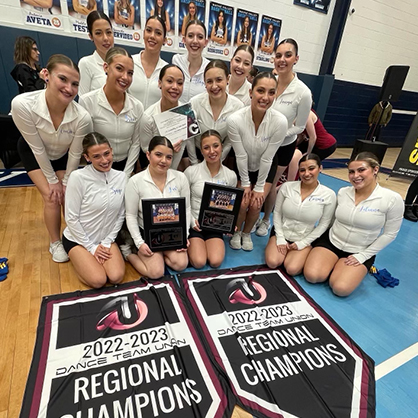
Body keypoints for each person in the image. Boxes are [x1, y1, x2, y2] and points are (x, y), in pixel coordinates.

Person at [11, 54, 92, 263]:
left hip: (63, 155)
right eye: (63, 79)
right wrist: (53, 181)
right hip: (33, 152)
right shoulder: (22, 105)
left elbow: (75, 153)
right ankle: (55, 242)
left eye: (75, 84)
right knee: (51, 196)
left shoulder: (82, 117)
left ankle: (75, 237)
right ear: (46, 75)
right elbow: (37, 148)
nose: (69, 88)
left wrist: (65, 182)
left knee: (69, 194)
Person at [303, 152, 404, 297]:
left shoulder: (392, 199)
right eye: (351, 172)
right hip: (332, 242)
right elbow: (331, 220)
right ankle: (332, 264)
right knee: (312, 276)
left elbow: (390, 234)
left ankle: (344, 270)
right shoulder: (343, 192)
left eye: (361, 170)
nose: (355, 176)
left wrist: (363, 256)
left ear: (375, 169)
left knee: (340, 288)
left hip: (360, 250)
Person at [257, 38, 312, 237]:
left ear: (296, 58)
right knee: (258, 179)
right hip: (259, 142)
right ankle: (253, 214)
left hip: (283, 146)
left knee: (270, 184)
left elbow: (299, 127)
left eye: (287, 55)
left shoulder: (303, 92)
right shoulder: (268, 82)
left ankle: (265, 219)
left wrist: (278, 135)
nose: (282, 59)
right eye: (278, 55)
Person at [227, 72, 288, 251]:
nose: (265, 97)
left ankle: (247, 233)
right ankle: (237, 232)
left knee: (255, 203)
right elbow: (240, 155)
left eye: (271, 92)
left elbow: (268, 157)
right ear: (250, 92)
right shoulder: (235, 120)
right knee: (243, 201)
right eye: (260, 91)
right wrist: (246, 183)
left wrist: (259, 188)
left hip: (266, 164)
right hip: (242, 164)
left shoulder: (280, 122)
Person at [63, 133, 126, 288]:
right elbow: (71, 218)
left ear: (111, 151)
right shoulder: (77, 177)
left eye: (106, 154)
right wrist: (91, 247)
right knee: (98, 280)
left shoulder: (122, 177)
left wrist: (107, 242)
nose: (104, 160)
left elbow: (121, 214)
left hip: (105, 240)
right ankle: (78, 258)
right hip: (78, 240)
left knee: (116, 276)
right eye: (96, 156)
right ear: (87, 157)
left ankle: (92, 260)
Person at [124, 136, 191, 278]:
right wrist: (139, 243)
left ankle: (160, 255)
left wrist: (183, 236)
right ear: (148, 155)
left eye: (168, 157)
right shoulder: (135, 181)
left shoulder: (180, 178)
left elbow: (186, 209)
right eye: (158, 155)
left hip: (172, 233)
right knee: (156, 273)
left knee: (181, 264)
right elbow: (130, 215)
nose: (163, 161)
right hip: (146, 233)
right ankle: (128, 253)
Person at [265, 154, 336, 274]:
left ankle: (302, 251)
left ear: (320, 168)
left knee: (292, 269)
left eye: (311, 168)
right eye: (302, 170)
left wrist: (303, 243)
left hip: (304, 237)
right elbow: (277, 213)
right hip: (282, 232)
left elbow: (324, 224)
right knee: (272, 262)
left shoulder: (329, 195)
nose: (306, 174)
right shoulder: (287, 187)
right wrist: (280, 238)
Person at [79, 47, 144, 177]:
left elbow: (136, 143)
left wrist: (125, 175)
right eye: (119, 69)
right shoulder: (87, 101)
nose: (125, 77)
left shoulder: (137, 106)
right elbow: (86, 142)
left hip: (124, 167)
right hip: (96, 168)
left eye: (130, 73)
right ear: (106, 67)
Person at [184, 130, 237, 268]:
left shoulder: (230, 176)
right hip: (194, 223)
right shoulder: (191, 172)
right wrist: (190, 221)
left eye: (215, 146)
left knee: (215, 261)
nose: (211, 151)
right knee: (199, 262)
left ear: (221, 147)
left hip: (215, 225)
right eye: (206, 148)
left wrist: (229, 223)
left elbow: (230, 206)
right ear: (201, 151)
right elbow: (183, 201)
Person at [189, 60, 244, 165]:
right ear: (204, 83)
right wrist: (194, 163)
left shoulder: (238, 107)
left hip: (220, 157)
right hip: (196, 154)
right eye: (209, 81)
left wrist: (218, 161)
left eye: (219, 80)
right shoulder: (194, 103)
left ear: (228, 79)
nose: (214, 86)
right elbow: (189, 139)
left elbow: (230, 140)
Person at [140, 64, 186, 170]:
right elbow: (145, 148)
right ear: (160, 83)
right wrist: (167, 150)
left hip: (175, 172)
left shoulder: (187, 114)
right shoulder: (148, 117)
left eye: (179, 83)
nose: (175, 87)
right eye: (169, 81)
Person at [129, 15, 168, 109]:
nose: (152, 36)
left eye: (158, 33)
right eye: (149, 30)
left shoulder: (167, 71)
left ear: (164, 40)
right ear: (143, 34)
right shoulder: (130, 63)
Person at [172, 19, 209, 103]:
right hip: (175, 115)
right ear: (184, 40)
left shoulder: (209, 68)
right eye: (190, 36)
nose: (195, 41)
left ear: (205, 42)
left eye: (200, 37)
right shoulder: (176, 61)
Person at [78, 11, 114, 96]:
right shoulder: (86, 63)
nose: (105, 38)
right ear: (91, 36)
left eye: (108, 32)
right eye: (98, 33)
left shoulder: (122, 62)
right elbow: (83, 101)